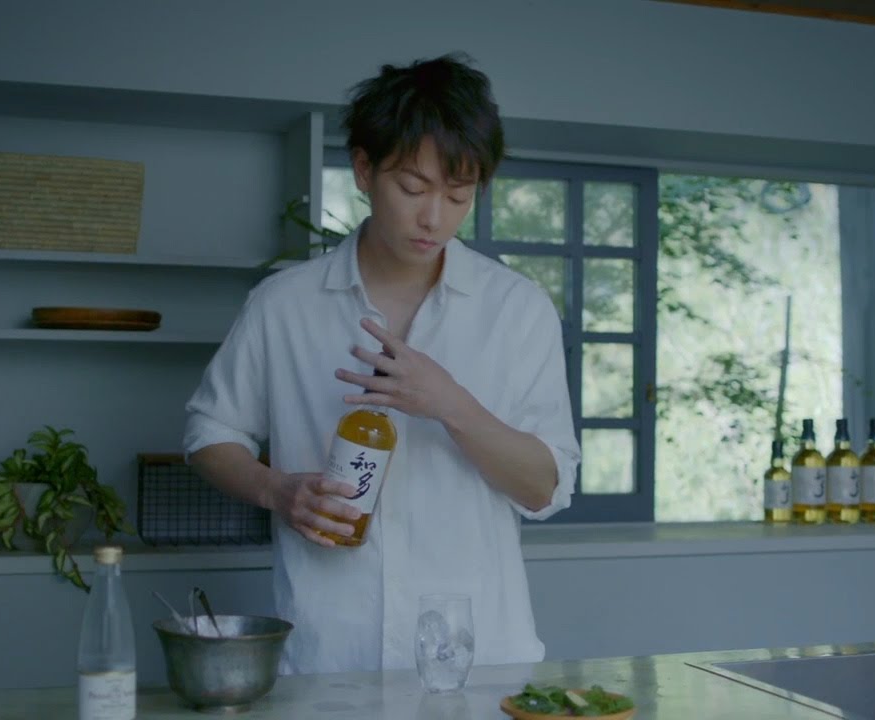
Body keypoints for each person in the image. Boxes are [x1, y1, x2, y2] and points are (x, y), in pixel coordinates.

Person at [183, 52, 580, 675]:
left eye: (458, 194)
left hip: (479, 657)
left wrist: (450, 404)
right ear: (364, 170)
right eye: (413, 188)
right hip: (330, 653)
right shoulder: (283, 305)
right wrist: (277, 490)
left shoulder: (518, 310)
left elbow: (545, 486)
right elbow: (209, 434)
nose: (434, 217)